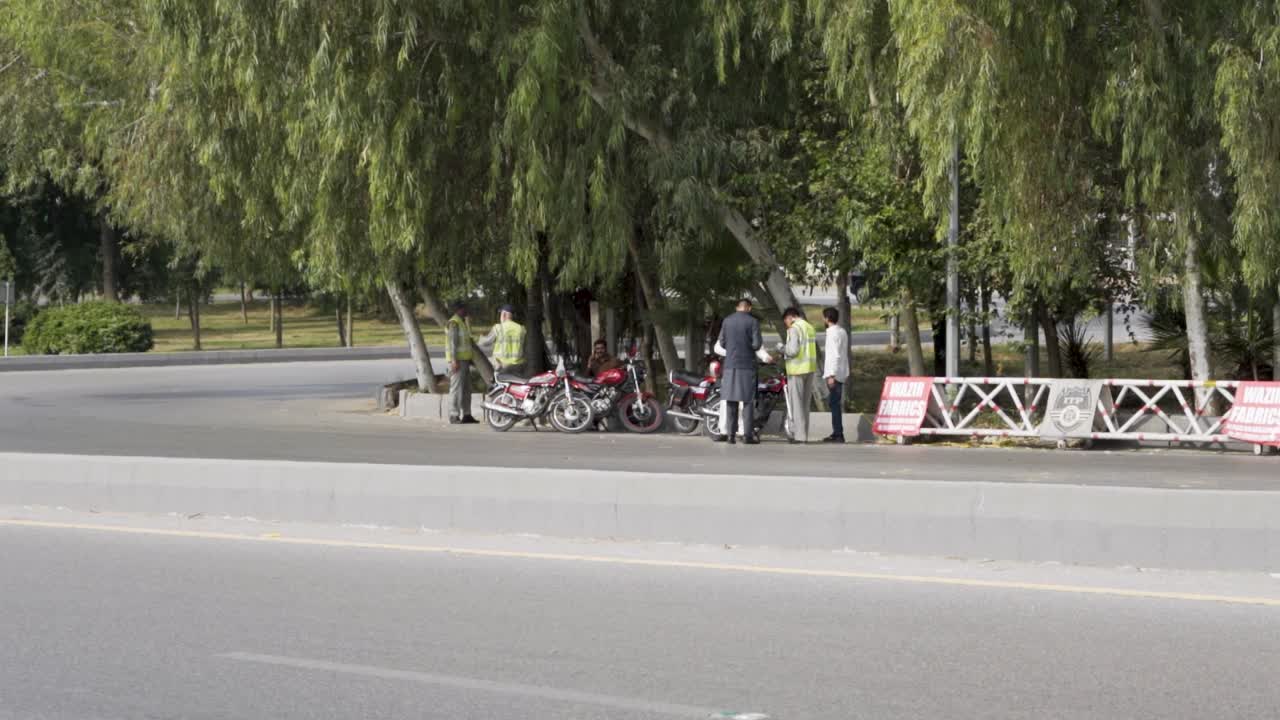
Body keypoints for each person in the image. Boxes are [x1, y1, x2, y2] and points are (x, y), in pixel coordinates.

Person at [715, 298, 764, 445]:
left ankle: (730, 435)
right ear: (749, 308)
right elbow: (756, 345)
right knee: (748, 400)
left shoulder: (727, 321)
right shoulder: (753, 322)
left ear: (737, 307)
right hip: (747, 366)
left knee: (731, 400)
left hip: (730, 365)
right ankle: (747, 435)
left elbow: (722, 342)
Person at [779, 306, 818, 444]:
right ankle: (804, 434)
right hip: (809, 369)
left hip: (796, 370)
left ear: (790, 317)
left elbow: (793, 350)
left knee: (796, 404)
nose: (786, 324)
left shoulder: (794, 328)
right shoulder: (809, 327)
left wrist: (781, 348)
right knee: (805, 404)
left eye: (786, 321)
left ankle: (799, 436)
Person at [445, 301, 478, 424]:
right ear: (459, 309)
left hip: (465, 361)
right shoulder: (454, 323)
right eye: (465, 308)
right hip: (457, 361)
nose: (467, 310)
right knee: (456, 389)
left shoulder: (463, 322)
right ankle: (454, 415)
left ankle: (467, 414)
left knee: (466, 389)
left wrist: (470, 359)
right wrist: (454, 360)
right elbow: (453, 343)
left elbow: (467, 342)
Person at [821, 306, 850, 443]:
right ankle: (837, 432)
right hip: (842, 371)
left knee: (834, 404)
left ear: (827, 319)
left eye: (823, 317)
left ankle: (838, 433)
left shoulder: (832, 333)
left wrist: (831, 375)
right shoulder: (842, 331)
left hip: (835, 373)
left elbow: (834, 355)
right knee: (835, 403)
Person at [478, 305, 526, 376]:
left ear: (504, 315)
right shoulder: (521, 328)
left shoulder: (498, 327)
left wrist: (481, 337)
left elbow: (485, 342)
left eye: (501, 314)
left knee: (487, 358)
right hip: (518, 363)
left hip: (502, 364)